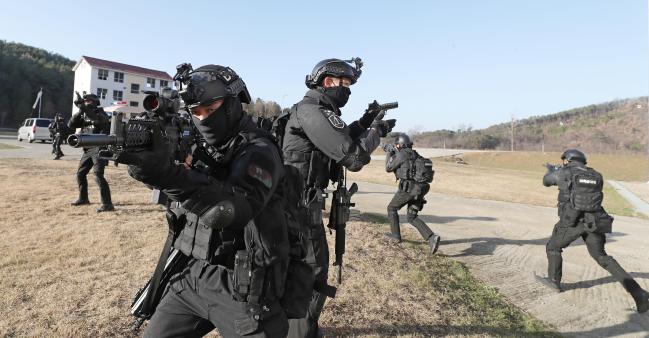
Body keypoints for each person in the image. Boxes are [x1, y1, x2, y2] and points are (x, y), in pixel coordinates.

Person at [117, 64, 292, 337]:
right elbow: (177, 189)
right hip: (191, 272)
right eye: (196, 112)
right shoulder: (200, 144)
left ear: (234, 104)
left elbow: (230, 210)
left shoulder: (260, 150)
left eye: (211, 110)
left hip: (244, 285)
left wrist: (168, 175)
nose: (203, 119)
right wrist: (151, 164)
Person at [281, 57, 396, 338]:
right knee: (313, 269)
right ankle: (300, 332)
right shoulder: (312, 112)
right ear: (328, 82)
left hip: (299, 203)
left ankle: (295, 327)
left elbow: (341, 136)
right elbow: (353, 157)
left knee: (303, 268)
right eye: (345, 84)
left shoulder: (316, 110)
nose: (348, 90)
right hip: (297, 206)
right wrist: (376, 133)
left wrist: (367, 120)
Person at [539, 149, 649, 313]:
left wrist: (552, 171)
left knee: (553, 247)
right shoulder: (597, 175)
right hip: (595, 221)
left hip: (573, 221)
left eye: (564, 161)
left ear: (568, 160)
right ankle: (639, 293)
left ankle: (554, 281)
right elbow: (582, 189)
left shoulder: (564, 172)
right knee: (602, 257)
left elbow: (546, 181)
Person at [384, 134, 440, 253]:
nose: (396, 147)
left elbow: (388, 168)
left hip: (408, 189)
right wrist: (392, 151)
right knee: (412, 217)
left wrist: (389, 152)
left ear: (400, 145)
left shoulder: (402, 154)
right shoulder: (415, 154)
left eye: (397, 145)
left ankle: (396, 237)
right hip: (420, 189)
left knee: (391, 208)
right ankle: (432, 238)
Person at [68, 94, 114, 212]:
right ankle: (83, 199)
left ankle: (107, 204)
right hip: (87, 149)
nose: (86, 102)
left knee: (98, 175)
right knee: (80, 174)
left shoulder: (102, 114)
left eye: (88, 101)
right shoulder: (84, 113)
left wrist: (84, 108)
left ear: (95, 102)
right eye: (85, 101)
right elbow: (71, 124)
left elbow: (96, 119)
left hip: (99, 148)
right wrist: (80, 111)